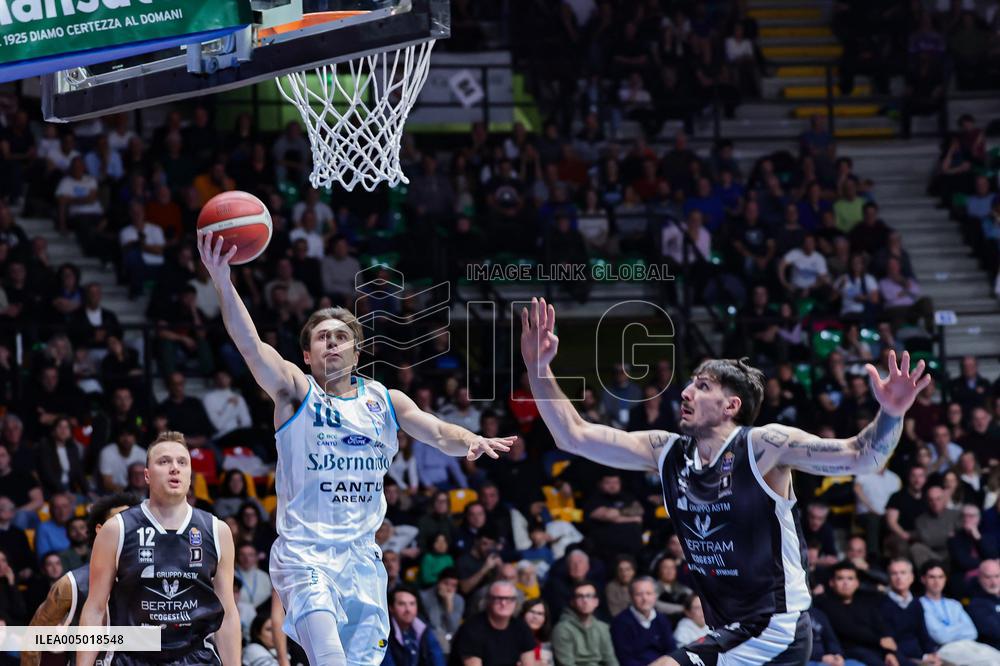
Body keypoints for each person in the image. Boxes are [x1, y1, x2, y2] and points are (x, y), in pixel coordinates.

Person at [520, 296, 931, 666]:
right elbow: (572, 435)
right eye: (690, 383)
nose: (685, 392)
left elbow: (862, 456)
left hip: (774, 628)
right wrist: (538, 370)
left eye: (702, 386)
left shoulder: (765, 447)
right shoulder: (666, 450)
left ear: (731, 405)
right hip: (729, 628)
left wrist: (892, 413)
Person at [198, 230, 514, 666]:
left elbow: (440, 432)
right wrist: (223, 281)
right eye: (322, 337)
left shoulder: (385, 400)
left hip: (363, 558)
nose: (332, 342)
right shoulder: (295, 392)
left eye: (340, 336)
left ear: (357, 351)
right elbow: (251, 347)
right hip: (305, 554)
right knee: (329, 658)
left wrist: (472, 439)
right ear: (306, 356)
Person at [78, 432, 241, 666]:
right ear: (147, 475)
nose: (174, 468)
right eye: (164, 461)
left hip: (195, 657)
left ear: (190, 474)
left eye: (182, 462)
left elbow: (228, 613)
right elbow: (94, 608)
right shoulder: (116, 530)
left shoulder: (218, 530)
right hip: (133, 656)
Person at [21, 492, 141, 666]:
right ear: (100, 530)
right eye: (120, 522)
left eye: (134, 524)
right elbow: (32, 641)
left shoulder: (156, 581)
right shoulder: (72, 584)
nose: (128, 529)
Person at [814, 562, 898, 666]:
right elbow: (847, 628)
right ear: (832, 582)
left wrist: (889, 652)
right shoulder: (825, 604)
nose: (846, 583)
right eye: (840, 578)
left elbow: (881, 626)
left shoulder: (865, 602)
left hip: (877, 649)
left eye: (850, 578)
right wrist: (879, 640)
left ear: (857, 583)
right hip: (849, 652)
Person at [918, 561, 1000, 665]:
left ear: (945, 579)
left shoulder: (954, 604)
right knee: (991, 663)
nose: (936, 581)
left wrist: (947, 630)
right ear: (923, 579)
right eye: (932, 577)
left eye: (940, 577)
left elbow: (972, 632)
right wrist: (959, 627)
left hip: (968, 645)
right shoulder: (919, 604)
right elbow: (940, 637)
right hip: (944, 649)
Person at [449, 580, 537, 666]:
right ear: (488, 600)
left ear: (516, 602)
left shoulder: (521, 628)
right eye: (498, 598)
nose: (503, 603)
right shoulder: (471, 629)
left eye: (509, 599)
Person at [880, 558, 940, 665]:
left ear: (911, 577)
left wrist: (932, 653)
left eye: (903, 573)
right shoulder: (881, 605)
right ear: (889, 578)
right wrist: (924, 657)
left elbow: (923, 633)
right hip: (901, 659)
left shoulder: (916, 603)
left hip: (922, 655)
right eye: (894, 573)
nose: (899, 577)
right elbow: (889, 644)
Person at [610, 576, 675, 666]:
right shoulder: (620, 623)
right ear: (631, 597)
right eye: (639, 594)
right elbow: (625, 659)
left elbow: (672, 651)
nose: (645, 598)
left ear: (655, 596)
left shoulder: (662, 619)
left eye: (649, 593)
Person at [551, 581, 618, 666]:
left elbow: (610, 660)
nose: (585, 600)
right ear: (573, 602)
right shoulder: (562, 629)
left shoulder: (603, 627)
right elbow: (566, 664)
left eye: (589, 596)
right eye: (580, 597)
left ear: (596, 602)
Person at [383, 586, 446, 666]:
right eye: (402, 604)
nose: (408, 609)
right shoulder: (383, 632)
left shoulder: (424, 628)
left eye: (412, 604)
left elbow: (437, 659)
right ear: (391, 608)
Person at [967, 558, 1000, 649]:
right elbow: (996, 632)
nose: (994, 582)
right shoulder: (976, 603)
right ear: (979, 578)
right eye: (988, 577)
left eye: (997, 576)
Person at [520, 599, 553, 666]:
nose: (535, 617)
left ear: (545, 619)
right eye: (531, 611)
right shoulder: (512, 637)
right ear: (523, 614)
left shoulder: (546, 642)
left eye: (540, 614)